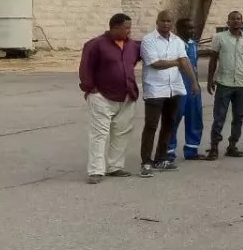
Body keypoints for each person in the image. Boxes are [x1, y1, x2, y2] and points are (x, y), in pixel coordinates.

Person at [80, 13, 141, 184]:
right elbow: (86, 68)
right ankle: (96, 171)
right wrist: (91, 89)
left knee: (121, 133)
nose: (129, 31)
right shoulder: (95, 45)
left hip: (127, 96)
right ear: (114, 27)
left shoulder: (132, 46)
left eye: (129, 28)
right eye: (126, 28)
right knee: (99, 135)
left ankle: (115, 166)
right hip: (102, 97)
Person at [138, 10, 200, 177]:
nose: (166, 24)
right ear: (157, 21)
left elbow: (185, 61)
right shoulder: (148, 40)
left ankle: (161, 158)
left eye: (169, 21)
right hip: (155, 89)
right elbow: (155, 63)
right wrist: (176, 62)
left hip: (174, 88)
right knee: (151, 126)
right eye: (163, 21)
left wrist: (194, 82)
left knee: (169, 124)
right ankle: (146, 162)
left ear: (172, 23)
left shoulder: (177, 41)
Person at [206, 10, 243, 160]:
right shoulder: (219, 38)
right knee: (219, 117)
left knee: (238, 117)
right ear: (227, 22)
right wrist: (210, 79)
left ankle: (232, 146)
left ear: (242, 22)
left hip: (242, 84)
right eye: (232, 19)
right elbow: (213, 60)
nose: (236, 21)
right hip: (224, 83)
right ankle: (214, 147)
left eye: (238, 19)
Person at [166, 18, 205, 162]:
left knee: (195, 117)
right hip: (177, 86)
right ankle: (168, 151)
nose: (192, 31)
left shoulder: (193, 44)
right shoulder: (173, 44)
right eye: (188, 28)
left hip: (193, 87)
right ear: (179, 29)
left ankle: (191, 150)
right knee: (174, 118)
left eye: (193, 28)